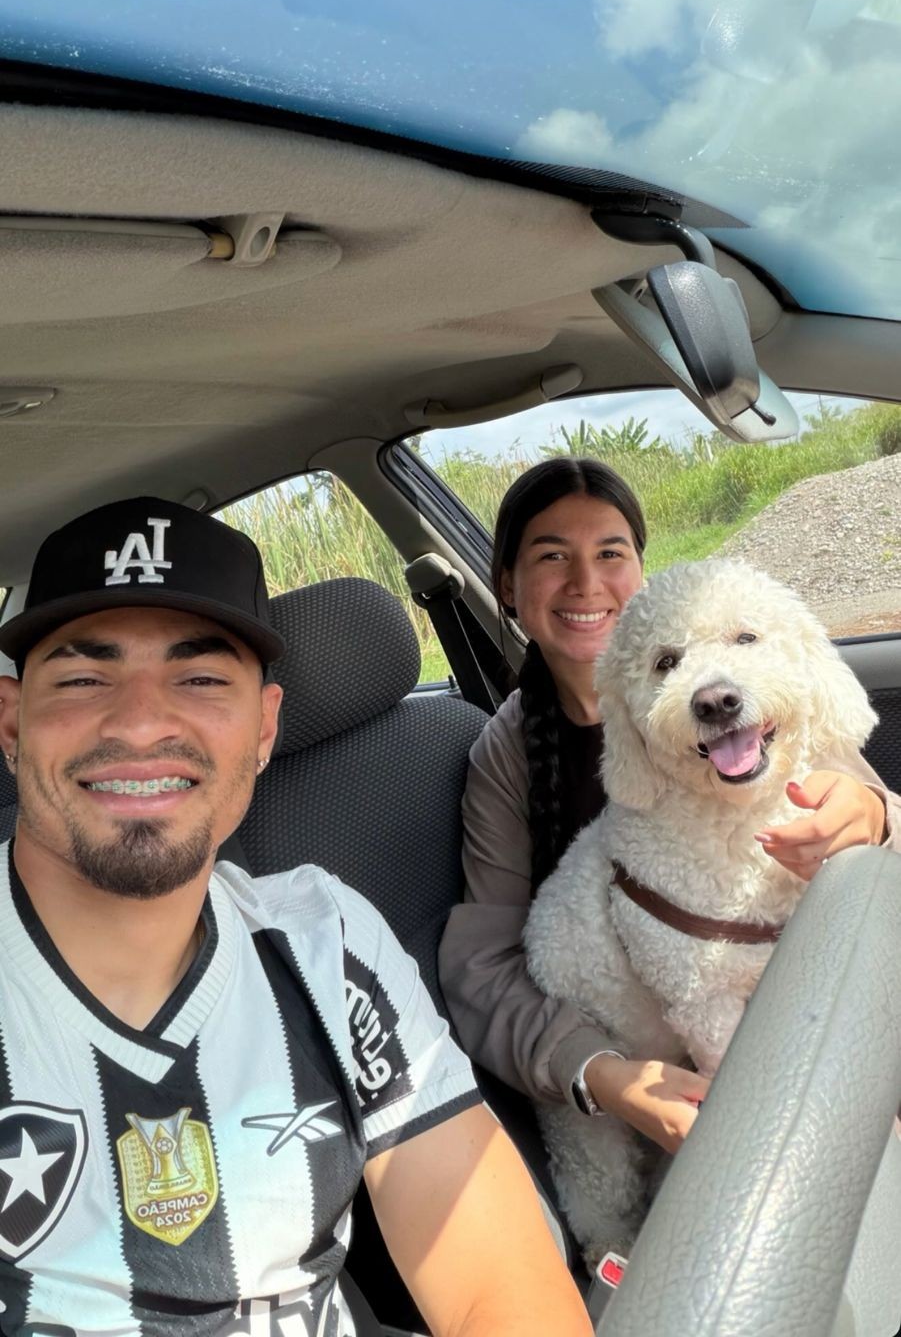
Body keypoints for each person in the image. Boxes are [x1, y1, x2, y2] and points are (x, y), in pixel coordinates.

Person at [0, 496, 592, 1337]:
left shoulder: (325, 939)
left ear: (265, 729)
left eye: (200, 677)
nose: (138, 721)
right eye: (85, 677)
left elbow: (495, 1286)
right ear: (13, 722)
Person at [438, 457, 900, 1154]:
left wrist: (872, 819)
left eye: (609, 553)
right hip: (660, 1053)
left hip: (818, 1007)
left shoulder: (745, 694)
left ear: (640, 571)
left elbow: (873, 809)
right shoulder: (504, 756)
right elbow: (485, 969)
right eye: (552, 556)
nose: (585, 582)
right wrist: (601, 1073)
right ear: (507, 585)